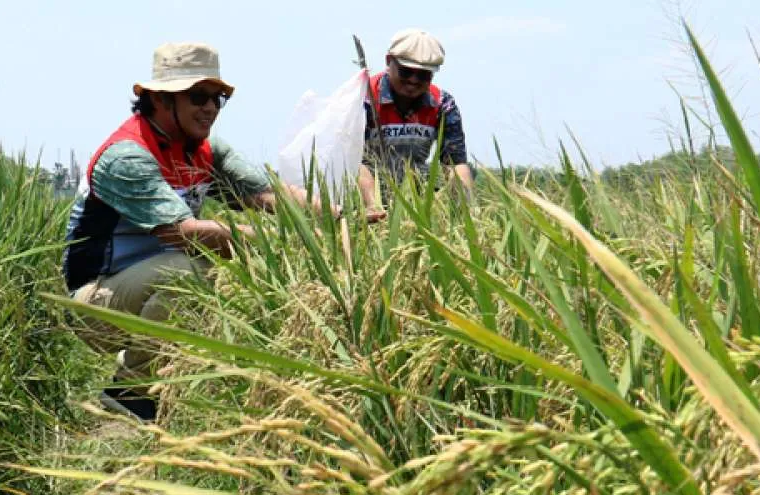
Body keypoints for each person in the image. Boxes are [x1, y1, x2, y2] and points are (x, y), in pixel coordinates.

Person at [63, 42, 324, 422]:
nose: (210, 108)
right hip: (95, 299)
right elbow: (181, 233)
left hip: (145, 287)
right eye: (198, 96)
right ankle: (130, 390)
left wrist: (334, 216)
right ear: (160, 99)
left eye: (218, 98)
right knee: (193, 269)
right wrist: (274, 241)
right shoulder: (128, 155)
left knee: (224, 266)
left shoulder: (204, 149)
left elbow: (268, 194)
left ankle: (170, 373)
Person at [357, 29, 475, 206]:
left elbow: (455, 164)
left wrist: (466, 213)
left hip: (417, 193)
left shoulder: (443, 103)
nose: (413, 80)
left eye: (423, 75)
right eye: (406, 71)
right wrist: (374, 207)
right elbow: (354, 162)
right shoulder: (364, 99)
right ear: (389, 62)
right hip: (366, 191)